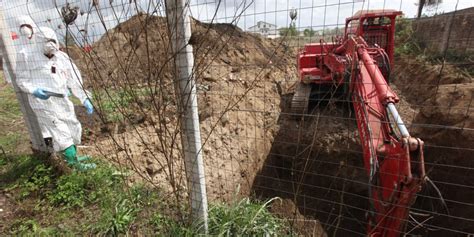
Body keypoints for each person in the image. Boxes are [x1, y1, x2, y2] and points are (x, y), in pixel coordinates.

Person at [16, 24, 95, 170]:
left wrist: (84, 98)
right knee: (60, 131)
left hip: (62, 99)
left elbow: (74, 79)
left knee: (73, 127)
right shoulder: (26, 56)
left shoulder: (62, 57)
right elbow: (21, 79)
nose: (51, 53)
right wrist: (34, 90)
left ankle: (72, 156)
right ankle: (73, 165)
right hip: (42, 102)